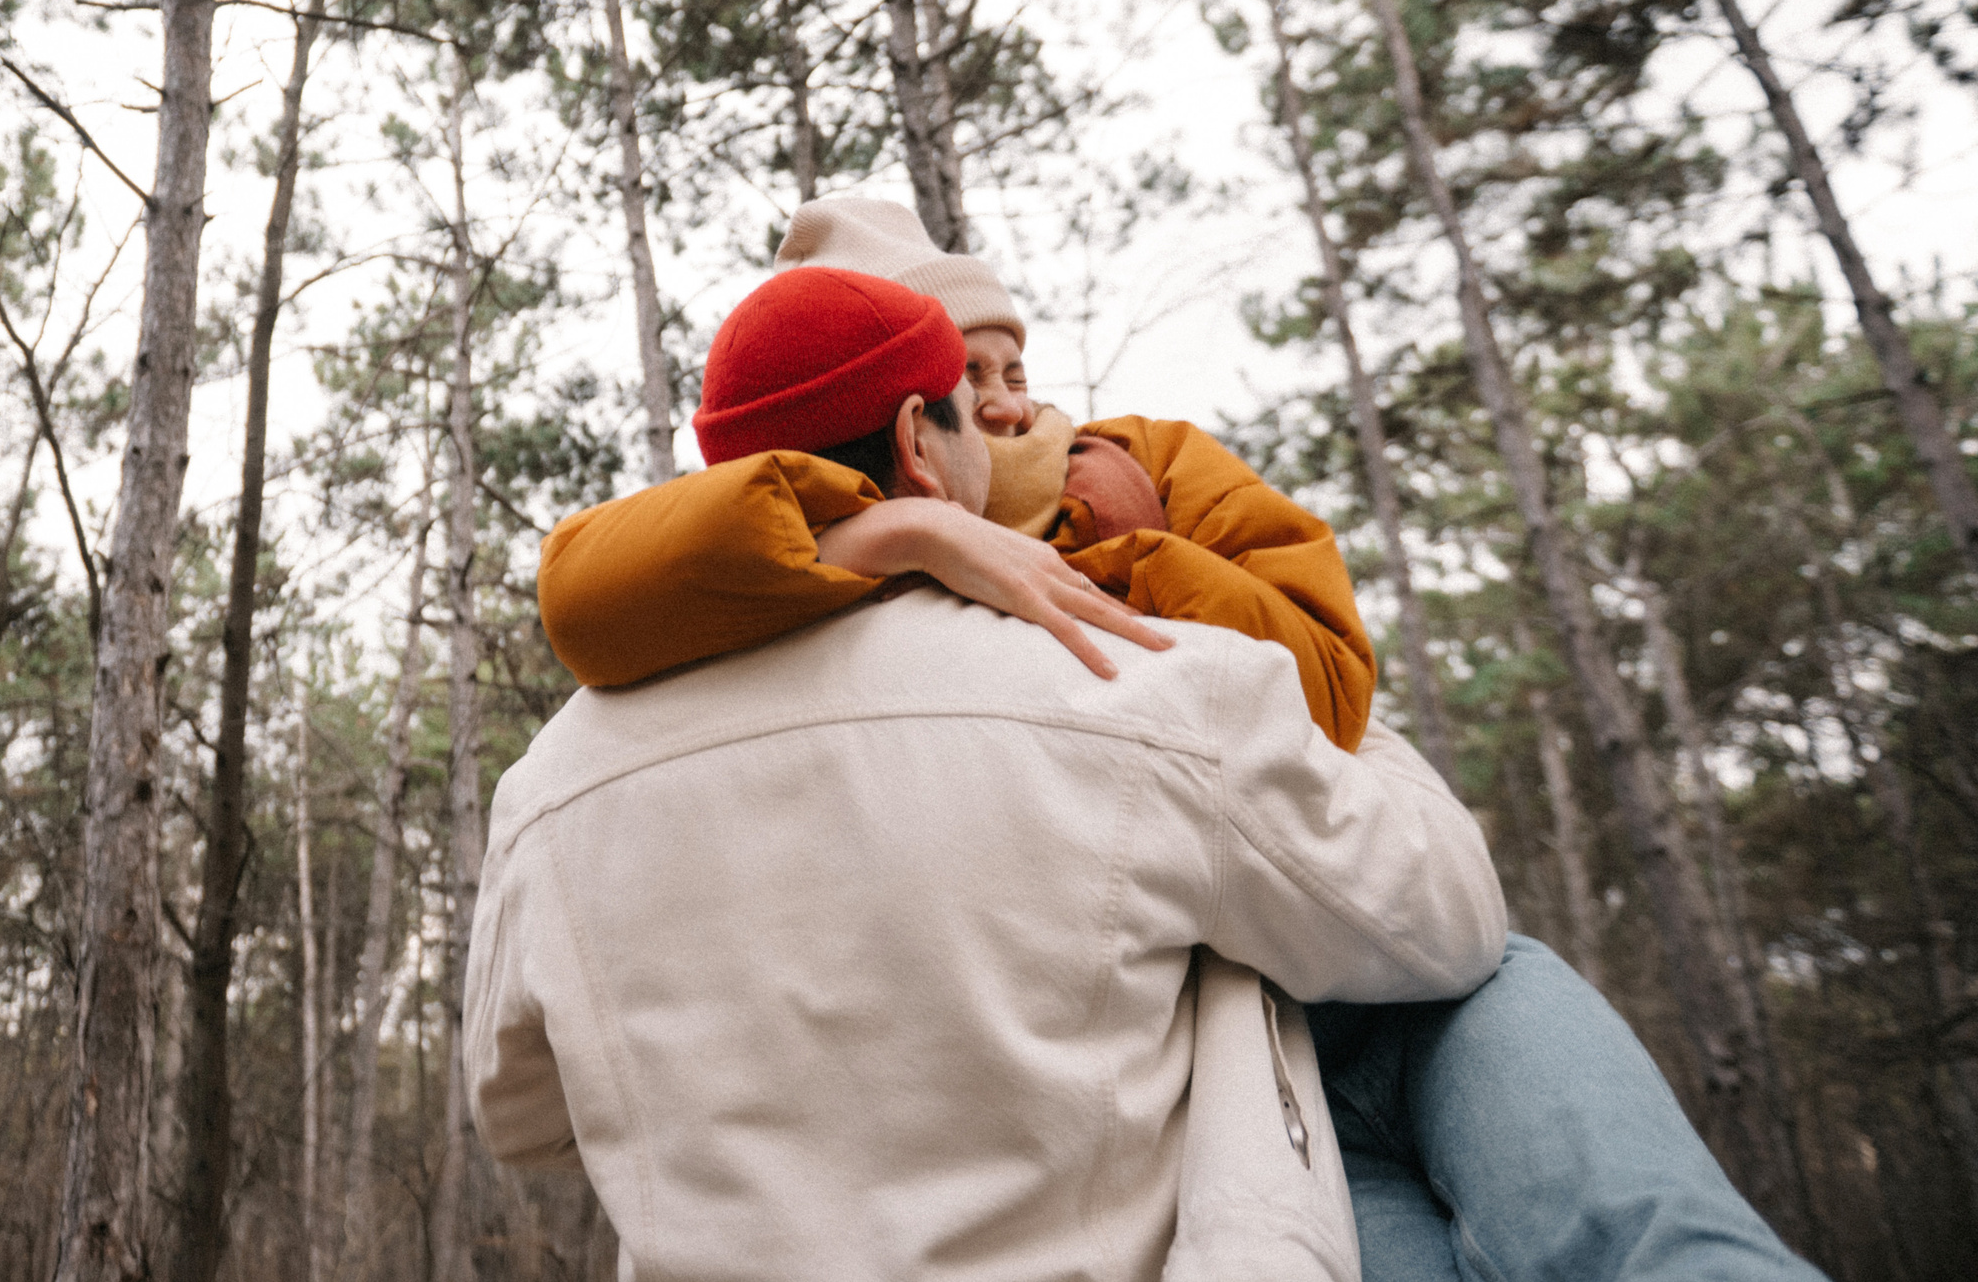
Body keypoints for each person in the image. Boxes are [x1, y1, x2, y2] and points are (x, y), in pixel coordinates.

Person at [530, 198, 1826, 1282]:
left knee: (1637, 1214)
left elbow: (1332, 681)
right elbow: (597, 578)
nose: (1001, 402)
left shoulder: (1134, 467)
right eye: (962, 378)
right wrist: (901, 535)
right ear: (906, 425)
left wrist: (1128, 564)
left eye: (1012, 367)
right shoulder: (773, 575)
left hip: (1343, 965)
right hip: (1224, 1055)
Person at [467, 266, 1510, 1281]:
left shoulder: (544, 788)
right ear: (916, 439)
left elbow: (522, 1114)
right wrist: (1348, 727)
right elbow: (1446, 919)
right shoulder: (1128, 682)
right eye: (972, 403)